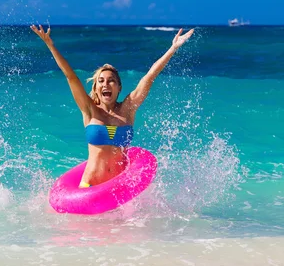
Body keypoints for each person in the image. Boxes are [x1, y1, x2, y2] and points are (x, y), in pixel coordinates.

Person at [30, 25, 195, 188]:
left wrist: (173, 48)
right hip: (89, 186)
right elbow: (71, 77)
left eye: (111, 81)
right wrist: (51, 46)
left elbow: (150, 76)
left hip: (119, 189)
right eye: (100, 81)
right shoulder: (90, 110)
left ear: (119, 87)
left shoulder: (127, 109)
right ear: (95, 88)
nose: (105, 84)